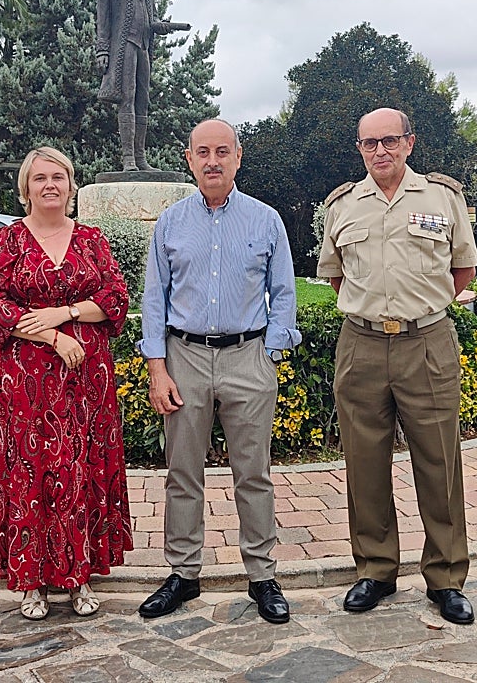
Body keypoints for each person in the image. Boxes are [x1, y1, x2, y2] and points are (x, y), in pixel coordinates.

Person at [316, 108, 477, 626]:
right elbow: (336, 275)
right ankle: (376, 570)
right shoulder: (342, 205)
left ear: (410, 142)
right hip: (360, 345)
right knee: (364, 462)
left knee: (439, 462)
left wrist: (418, 310)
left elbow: (463, 268)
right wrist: (374, 312)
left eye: (389, 141)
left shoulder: (442, 198)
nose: (380, 151)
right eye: (369, 143)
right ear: (359, 149)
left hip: (426, 342)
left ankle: (447, 577)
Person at [138, 118, 301, 623]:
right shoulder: (170, 223)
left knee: (254, 474)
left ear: (238, 157)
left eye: (222, 151)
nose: (212, 160)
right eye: (202, 152)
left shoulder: (266, 220)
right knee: (182, 473)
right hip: (183, 358)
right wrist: (157, 368)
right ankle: (184, 574)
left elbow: (285, 293)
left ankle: (262, 575)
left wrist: (269, 353)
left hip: (247, 358)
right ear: (189, 158)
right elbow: (153, 300)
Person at [0, 146, 133, 619]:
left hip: (87, 382)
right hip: (26, 383)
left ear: (71, 185)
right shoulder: (6, 243)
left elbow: (115, 296)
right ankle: (32, 581)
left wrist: (64, 313)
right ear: (25, 188)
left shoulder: (91, 239)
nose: (50, 185)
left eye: (59, 177)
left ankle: (80, 576)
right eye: (40, 177)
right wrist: (53, 337)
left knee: (81, 470)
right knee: (30, 471)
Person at [95, 0, 189, 171]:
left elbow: (151, 18)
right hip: (122, 46)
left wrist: (163, 26)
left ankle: (140, 157)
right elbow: (102, 19)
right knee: (126, 97)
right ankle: (128, 159)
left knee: (142, 100)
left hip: (143, 46)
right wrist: (102, 50)